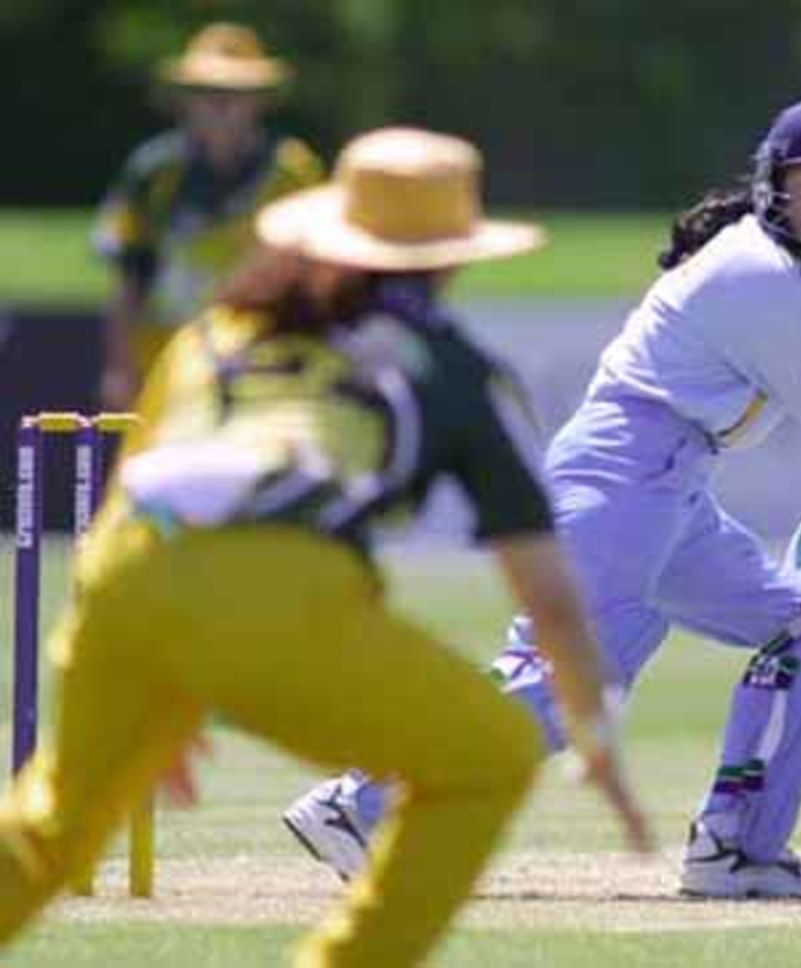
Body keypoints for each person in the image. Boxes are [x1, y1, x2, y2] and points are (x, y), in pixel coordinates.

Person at [284, 98, 801, 898]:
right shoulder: (758, 277)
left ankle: (736, 848)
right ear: (775, 185)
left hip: (671, 488)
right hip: (624, 476)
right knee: (569, 683)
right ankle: (357, 803)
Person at [0, 126, 649, 967]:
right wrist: (594, 743)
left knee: (51, 828)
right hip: (276, 589)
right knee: (492, 753)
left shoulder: (217, 330)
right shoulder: (450, 367)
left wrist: (154, 673)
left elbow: (138, 485)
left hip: (120, 577)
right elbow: (550, 595)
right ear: (453, 255)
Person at [92, 21, 324, 409]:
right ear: (185, 100)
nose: (221, 104)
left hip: (260, 363)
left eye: (236, 93)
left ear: (260, 99)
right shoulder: (153, 171)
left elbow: (312, 279)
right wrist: (119, 368)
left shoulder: (294, 172)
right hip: (166, 363)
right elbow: (129, 278)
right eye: (207, 92)